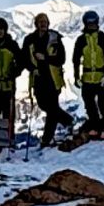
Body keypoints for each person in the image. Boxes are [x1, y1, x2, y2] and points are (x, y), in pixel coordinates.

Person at [23, 12, 73, 143]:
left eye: (45, 21)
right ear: (36, 24)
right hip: (38, 78)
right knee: (44, 105)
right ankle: (68, 121)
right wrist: (33, 69)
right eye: (40, 21)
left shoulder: (55, 37)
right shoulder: (29, 40)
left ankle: (47, 139)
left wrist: (46, 58)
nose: (43, 24)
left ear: (48, 23)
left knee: (52, 108)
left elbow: (61, 58)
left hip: (53, 78)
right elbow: (24, 59)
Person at [73, 11, 104, 136]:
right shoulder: (81, 40)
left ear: (97, 23)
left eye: (93, 22)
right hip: (87, 76)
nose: (91, 25)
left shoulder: (103, 37)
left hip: (101, 76)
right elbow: (76, 59)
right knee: (89, 103)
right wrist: (76, 76)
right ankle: (94, 125)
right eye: (89, 23)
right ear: (85, 23)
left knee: (103, 103)